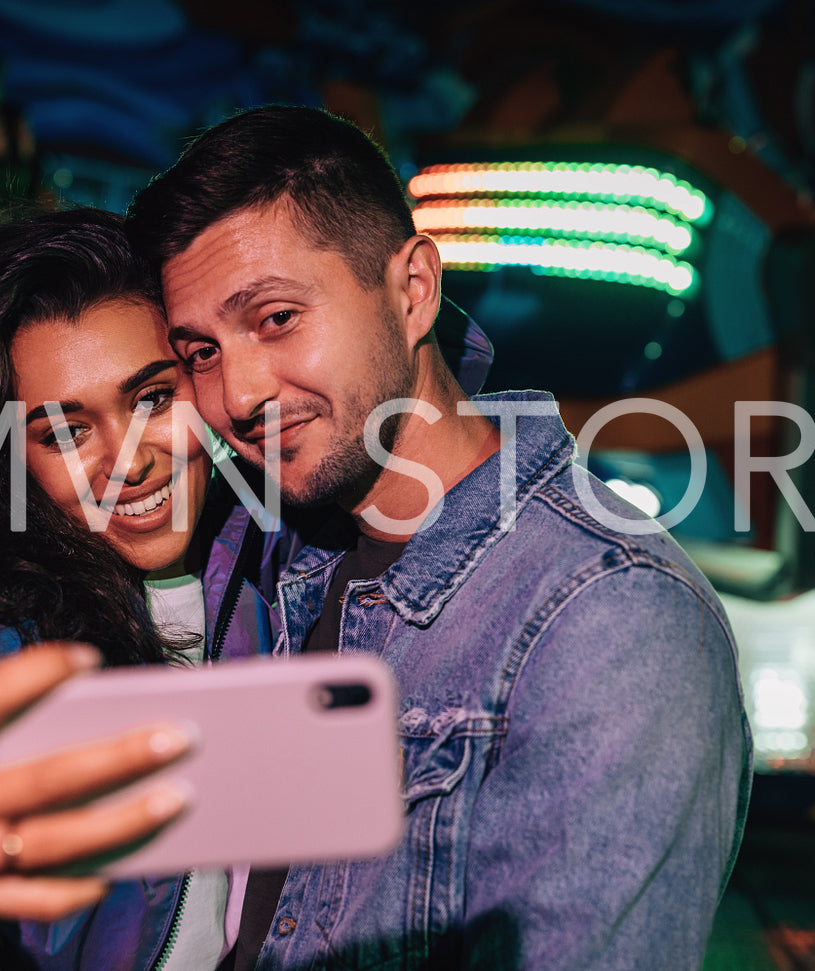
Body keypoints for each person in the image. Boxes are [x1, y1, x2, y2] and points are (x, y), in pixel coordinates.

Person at [0, 203, 495, 970]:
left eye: (153, 397)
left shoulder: (276, 549)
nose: (128, 460)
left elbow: (421, 400)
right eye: (65, 430)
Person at [122, 104, 753, 969]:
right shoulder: (275, 552)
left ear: (413, 289)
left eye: (275, 319)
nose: (237, 393)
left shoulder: (608, 615)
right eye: (200, 351)